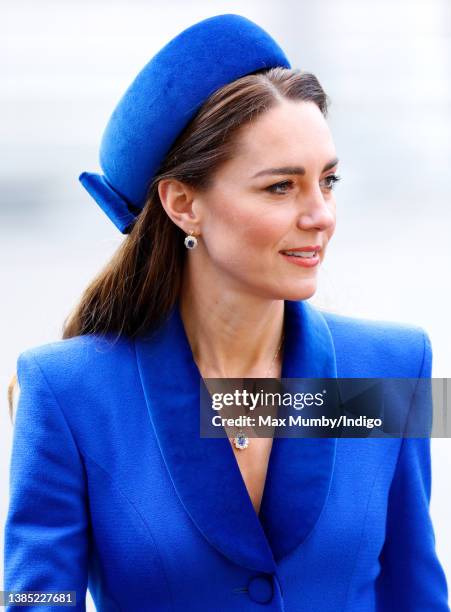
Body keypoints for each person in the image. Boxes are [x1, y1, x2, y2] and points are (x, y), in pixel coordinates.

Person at [4, 13, 449, 612]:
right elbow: (38, 598)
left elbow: (416, 593)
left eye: (329, 180)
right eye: (280, 187)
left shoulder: (392, 369)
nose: (321, 215)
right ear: (183, 204)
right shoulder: (68, 391)